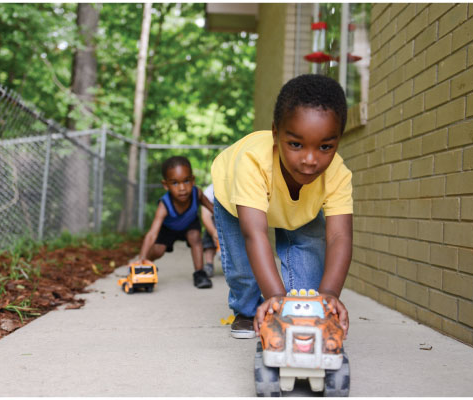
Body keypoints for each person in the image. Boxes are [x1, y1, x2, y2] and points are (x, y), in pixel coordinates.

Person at [208, 74, 355, 340]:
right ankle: (245, 310)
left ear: (338, 141)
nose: (310, 160)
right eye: (296, 144)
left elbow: (339, 236)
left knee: (310, 296)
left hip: (300, 212)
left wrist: (330, 295)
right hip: (235, 202)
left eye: (325, 146)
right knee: (244, 269)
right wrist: (275, 298)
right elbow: (255, 234)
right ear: (276, 133)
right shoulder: (253, 162)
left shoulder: (338, 173)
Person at [132, 156, 219, 289]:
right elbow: (152, 234)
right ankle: (144, 265)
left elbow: (214, 210)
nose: (182, 187)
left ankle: (200, 273)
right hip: (169, 228)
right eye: (175, 183)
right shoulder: (164, 205)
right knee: (158, 250)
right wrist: (141, 258)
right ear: (166, 185)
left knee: (195, 237)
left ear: (193, 180)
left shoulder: (197, 194)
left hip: (190, 224)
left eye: (186, 181)